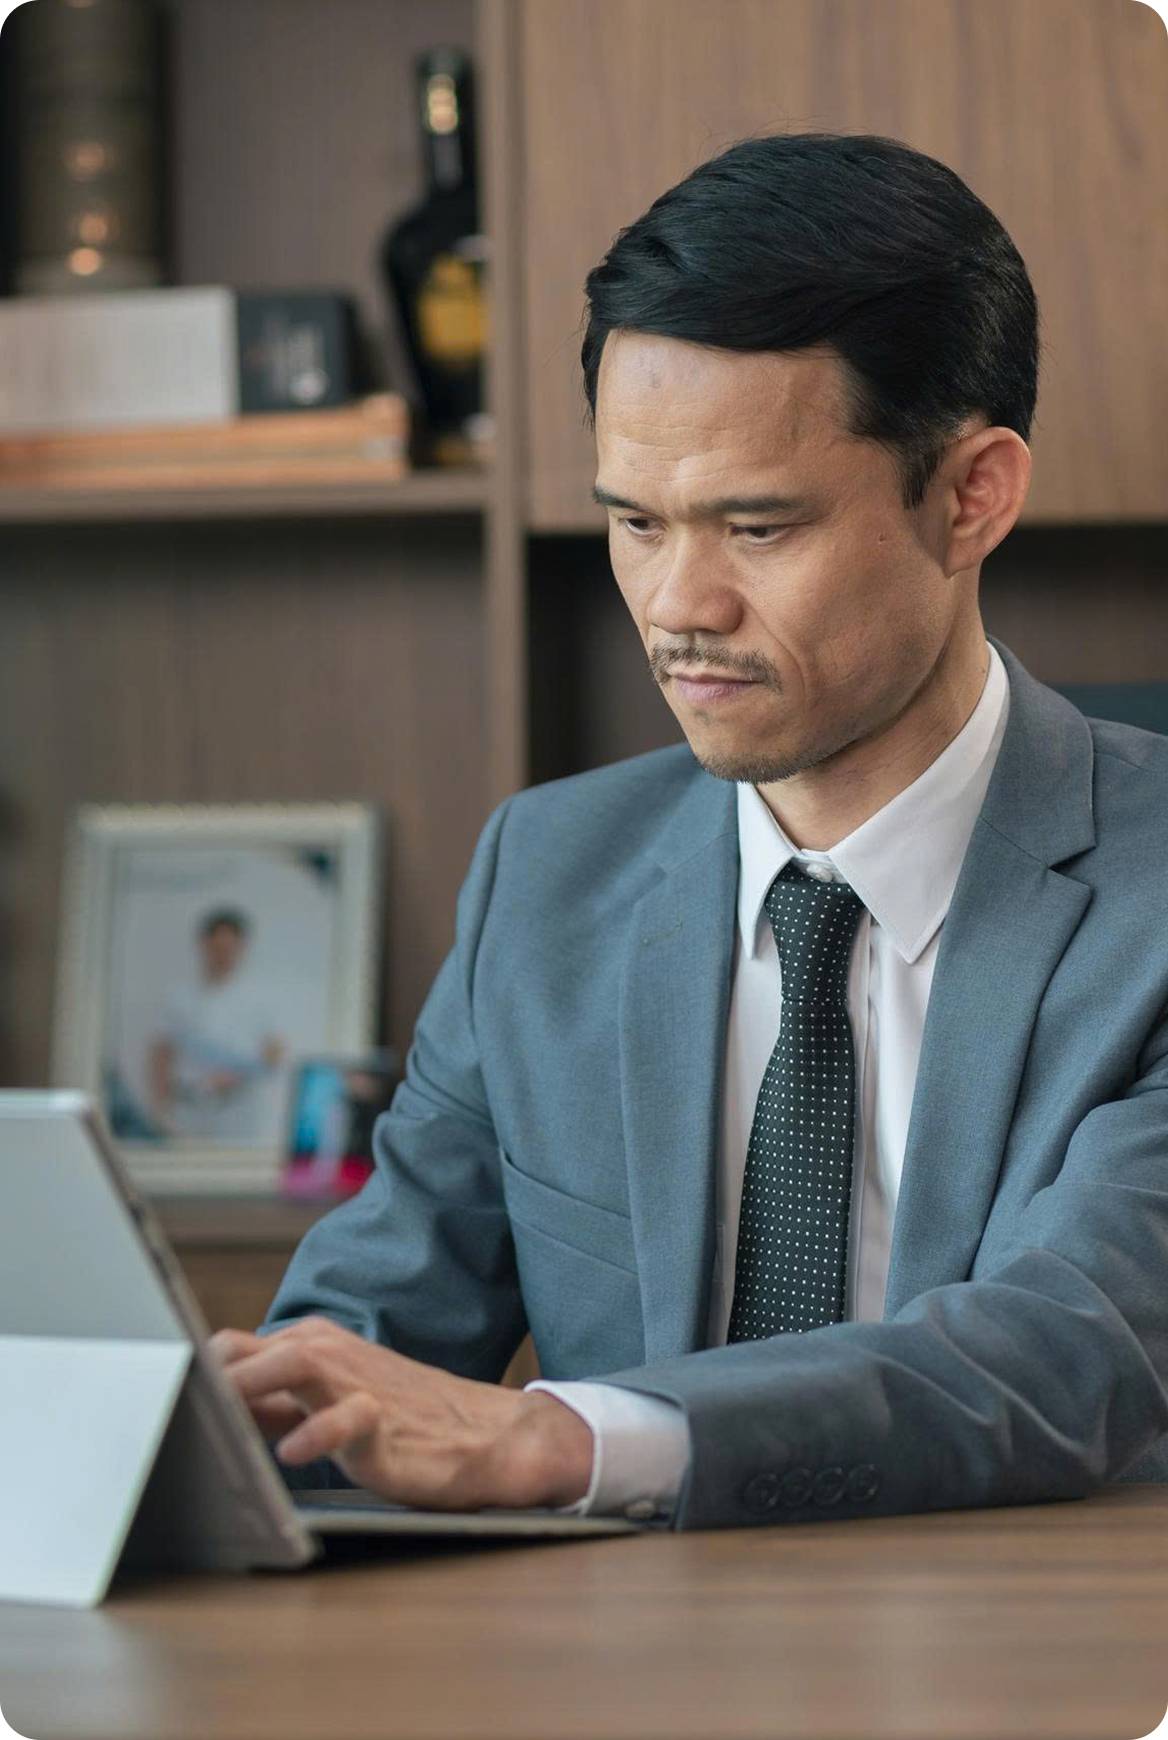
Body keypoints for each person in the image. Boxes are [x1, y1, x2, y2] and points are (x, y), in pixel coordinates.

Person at [211, 133, 1168, 1528]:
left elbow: (1065, 1356)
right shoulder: (545, 876)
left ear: (973, 496)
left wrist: (569, 1440)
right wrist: (209, 1432)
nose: (677, 607)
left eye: (756, 529)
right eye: (637, 523)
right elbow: (362, 1342)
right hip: (627, 1645)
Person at [147, 907, 287, 1142]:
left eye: (229, 948)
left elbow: (275, 1053)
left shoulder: (260, 999)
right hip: (188, 1106)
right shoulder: (179, 997)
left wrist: (238, 1075)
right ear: (204, 944)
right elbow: (161, 1053)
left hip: (238, 1108)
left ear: (242, 947)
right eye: (217, 947)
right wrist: (160, 1108)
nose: (223, 955)